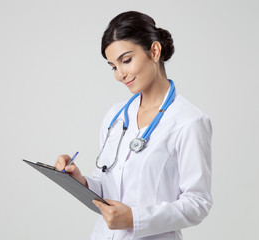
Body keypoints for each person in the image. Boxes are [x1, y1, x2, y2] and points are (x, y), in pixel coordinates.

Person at [55, 11, 212, 240]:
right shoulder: (115, 116)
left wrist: (134, 219)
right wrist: (80, 181)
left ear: (155, 51)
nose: (120, 74)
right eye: (113, 67)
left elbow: (198, 203)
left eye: (126, 60)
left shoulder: (189, 121)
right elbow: (107, 187)